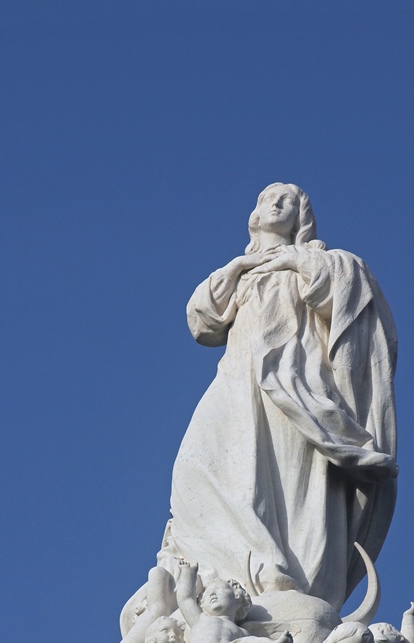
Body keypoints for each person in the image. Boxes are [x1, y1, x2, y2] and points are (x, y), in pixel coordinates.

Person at [160, 183, 398, 612]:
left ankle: (282, 570)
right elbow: (202, 321)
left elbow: (352, 289)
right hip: (237, 379)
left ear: (300, 218)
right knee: (199, 464)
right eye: (267, 197)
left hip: (295, 384)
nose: (275, 202)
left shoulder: (320, 260)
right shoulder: (241, 270)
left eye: (287, 200)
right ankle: (231, 571)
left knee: (289, 475)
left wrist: (298, 262)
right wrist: (241, 266)